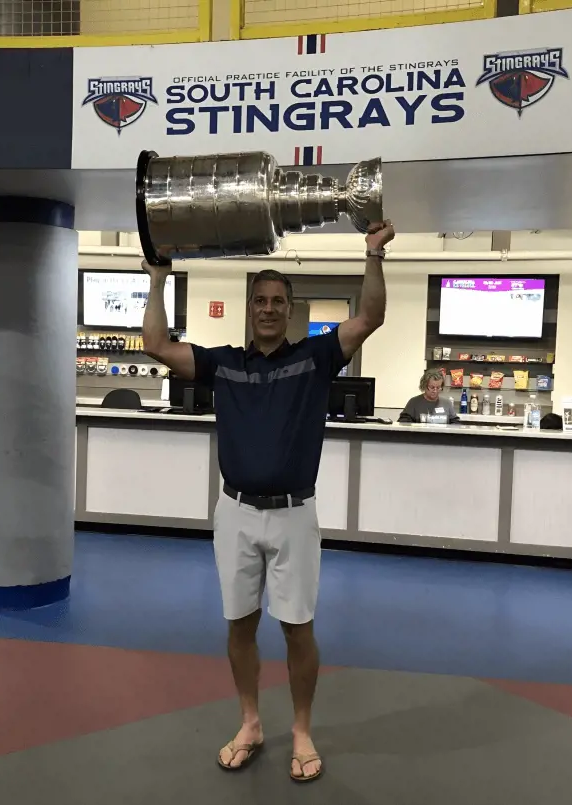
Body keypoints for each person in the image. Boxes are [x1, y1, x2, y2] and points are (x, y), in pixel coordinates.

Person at [142, 221, 395, 783]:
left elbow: (370, 316)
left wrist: (372, 255)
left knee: (297, 628)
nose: (268, 309)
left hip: (294, 514)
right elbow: (156, 345)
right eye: (260, 300)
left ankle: (302, 730)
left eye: (278, 301)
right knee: (239, 625)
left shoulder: (315, 359)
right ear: (248, 307)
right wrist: (158, 282)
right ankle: (251, 722)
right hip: (234, 512)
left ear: (290, 310)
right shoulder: (223, 364)